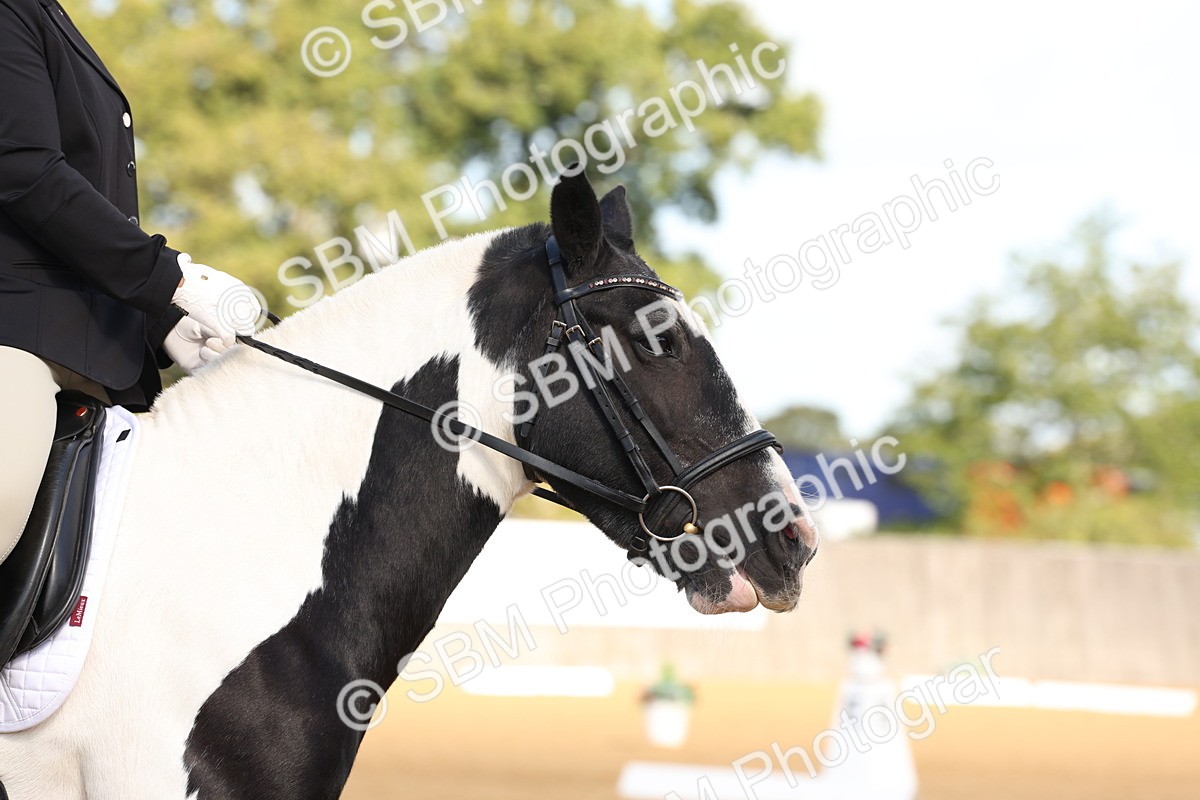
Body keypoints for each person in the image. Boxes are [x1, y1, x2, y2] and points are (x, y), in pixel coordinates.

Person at [0, 0, 260, 566]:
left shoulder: (46, 16)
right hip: (13, 338)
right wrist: (171, 278)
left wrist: (162, 319)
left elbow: (78, 220)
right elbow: (24, 173)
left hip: (98, 363)